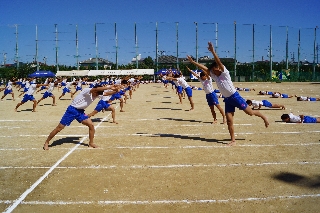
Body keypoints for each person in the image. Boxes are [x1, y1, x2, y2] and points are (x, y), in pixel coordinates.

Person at [187, 41, 269, 146]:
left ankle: (264, 117)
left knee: (250, 113)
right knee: (230, 121)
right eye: (213, 70)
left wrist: (212, 51)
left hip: (235, 97)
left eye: (216, 69)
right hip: (228, 100)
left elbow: (219, 62)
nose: (215, 71)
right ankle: (233, 140)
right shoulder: (214, 77)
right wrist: (193, 62)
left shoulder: (225, 73)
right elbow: (204, 68)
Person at [43, 85, 120, 150]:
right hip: (72, 110)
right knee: (59, 128)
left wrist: (116, 90)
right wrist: (110, 86)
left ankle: (91, 143)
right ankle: (46, 142)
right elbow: (97, 89)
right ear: (95, 91)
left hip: (80, 112)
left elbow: (107, 94)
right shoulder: (87, 90)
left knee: (91, 125)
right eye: (97, 94)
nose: (97, 95)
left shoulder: (97, 93)